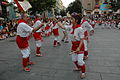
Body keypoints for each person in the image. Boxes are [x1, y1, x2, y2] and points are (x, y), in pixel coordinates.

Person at [70, 14, 86, 79]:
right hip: (73, 46)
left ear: (76, 20)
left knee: (80, 61)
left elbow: (82, 40)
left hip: (80, 46)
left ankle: (83, 72)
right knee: (74, 59)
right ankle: (79, 68)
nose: (71, 20)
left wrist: (79, 47)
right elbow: (63, 27)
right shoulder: (72, 27)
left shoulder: (80, 29)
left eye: (72, 19)